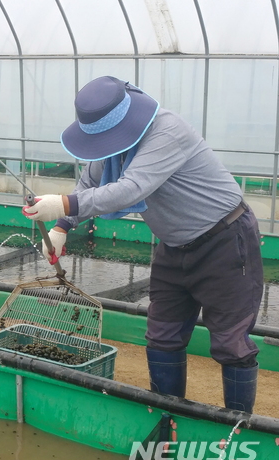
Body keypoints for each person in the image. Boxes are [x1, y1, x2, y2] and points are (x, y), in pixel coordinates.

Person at [22, 76, 263, 413]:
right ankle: (168, 414)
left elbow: (131, 189)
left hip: (224, 239)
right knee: (162, 334)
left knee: (231, 342)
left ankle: (238, 426)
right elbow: (89, 181)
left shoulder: (167, 131)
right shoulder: (112, 148)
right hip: (174, 245)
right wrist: (62, 226)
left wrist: (64, 204)